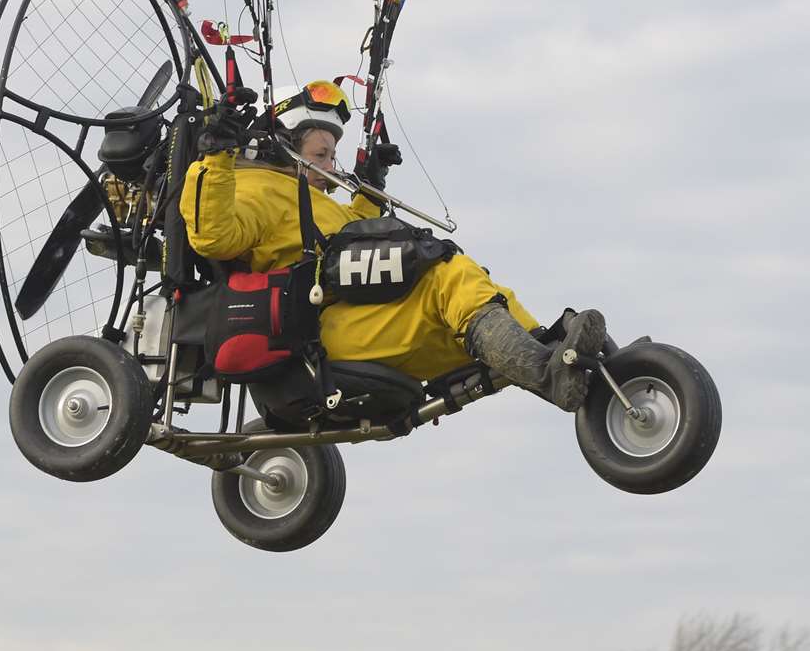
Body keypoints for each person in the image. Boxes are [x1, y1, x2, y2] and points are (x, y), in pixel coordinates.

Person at [181, 80, 603, 411]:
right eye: (322, 154)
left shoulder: (316, 202)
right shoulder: (256, 188)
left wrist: (372, 186)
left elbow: (351, 236)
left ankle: (558, 359)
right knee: (447, 274)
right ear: (287, 144)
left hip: (364, 316)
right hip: (321, 329)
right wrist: (215, 157)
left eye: (333, 157)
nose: (331, 168)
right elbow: (214, 236)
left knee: (486, 296)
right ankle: (550, 375)